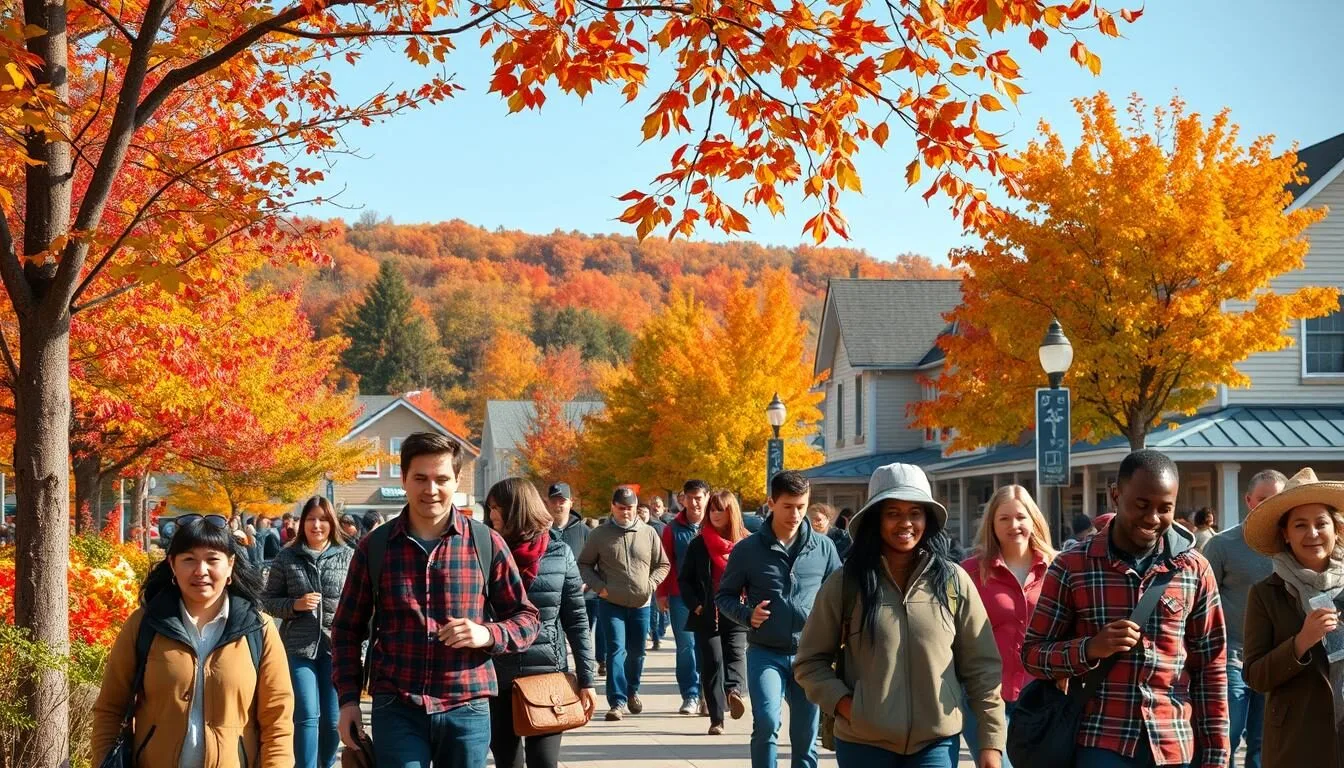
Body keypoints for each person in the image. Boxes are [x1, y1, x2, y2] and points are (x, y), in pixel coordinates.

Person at [331, 432, 541, 768]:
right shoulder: (376, 546)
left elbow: (526, 618)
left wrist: (487, 634)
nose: (431, 490)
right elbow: (345, 629)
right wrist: (348, 701)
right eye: (420, 478)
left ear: (457, 479)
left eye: (441, 479)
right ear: (403, 479)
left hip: (467, 705)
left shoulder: (486, 543)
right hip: (396, 704)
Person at [1021, 449, 1229, 768]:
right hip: (1100, 743)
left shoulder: (1194, 569)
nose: (1153, 518)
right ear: (1115, 495)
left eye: (1165, 508)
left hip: (1174, 745)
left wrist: (1216, 754)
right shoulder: (1072, 566)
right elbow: (1033, 655)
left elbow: (1211, 668)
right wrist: (1090, 649)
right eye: (1141, 505)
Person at [796, 463, 1006, 768]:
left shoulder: (953, 581)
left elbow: (982, 668)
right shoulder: (847, 583)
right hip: (863, 745)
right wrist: (848, 706)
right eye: (893, 512)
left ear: (927, 519)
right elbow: (809, 662)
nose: (905, 523)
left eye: (915, 513)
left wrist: (991, 743)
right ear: (875, 519)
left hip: (936, 743)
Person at [90, 515, 295, 767]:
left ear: (230, 565)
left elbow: (278, 720)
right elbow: (110, 709)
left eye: (212, 559)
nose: (201, 571)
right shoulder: (145, 623)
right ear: (173, 565)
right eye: (189, 559)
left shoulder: (258, 629)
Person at [716, 470, 841, 768]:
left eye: (801, 506)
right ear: (771, 503)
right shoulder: (747, 550)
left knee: (805, 735)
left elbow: (841, 596)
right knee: (767, 723)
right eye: (788, 506)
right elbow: (724, 596)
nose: (796, 514)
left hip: (810, 656)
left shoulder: (823, 548)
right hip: (765, 653)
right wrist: (748, 615)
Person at [486, 478, 598, 768]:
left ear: (516, 509)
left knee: (544, 762)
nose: (491, 515)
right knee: (507, 762)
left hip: (546, 676)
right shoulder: (485, 551)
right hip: (496, 678)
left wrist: (587, 679)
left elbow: (576, 620)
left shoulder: (558, 553)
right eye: (490, 508)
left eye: (496, 507)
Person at [1241, 468, 1344, 768]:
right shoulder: (1265, 594)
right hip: (1297, 744)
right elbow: (1256, 676)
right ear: (1285, 534)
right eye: (1300, 525)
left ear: (1335, 529)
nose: (1312, 533)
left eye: (1321, 523)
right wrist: (1300, 643)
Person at [959, 485, 1057, 766]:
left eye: (1020, 517)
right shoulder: (970, 573)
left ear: (1033, 520)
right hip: (985, 698)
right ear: (992, 523)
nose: (1014, 525)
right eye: (1004, 518)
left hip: (1041, 698)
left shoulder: (1058, 568)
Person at [1204, 469, 1287, 768]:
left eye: (1276, 499)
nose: (1268, 505)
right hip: (1230, 656)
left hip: (1275, 657)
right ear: (1249, 500)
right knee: (1228, 735)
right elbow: (1202, 603)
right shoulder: (1222, 545)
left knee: (1263, 743)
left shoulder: (1293, 546)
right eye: (1263, 499)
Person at [261, 496, 352, 768]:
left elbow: (363, 607)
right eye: (311, 519)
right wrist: (295, 605)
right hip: (298, 649)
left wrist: (358, 649)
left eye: (323, 519)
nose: (317, 525)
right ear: (302, 524)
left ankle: (325, 763)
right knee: (306, 715)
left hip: (336, 649)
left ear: (331, 523)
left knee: (331, 719)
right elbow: (267, 600)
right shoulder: (287, 556)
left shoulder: (348, 555)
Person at [578, 486, 671, 721]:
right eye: (621, 508)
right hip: (612, 603)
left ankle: (632, 691)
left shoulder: (648, 533)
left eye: (630, 508)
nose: (626, 513)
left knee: (637, 652)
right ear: (613, 507)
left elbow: (663, 564)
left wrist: (650, 584)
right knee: (616, 650)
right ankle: (617, 701)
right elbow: (584, 564)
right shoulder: (599, 534)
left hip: (641, 603)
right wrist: (600, 588)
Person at [680, 490, 751, 734]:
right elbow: (685, 579)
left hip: (738, 611)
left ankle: (734, 692)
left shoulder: (746, 543)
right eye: (712, 509)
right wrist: (697, 605)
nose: (715, 514)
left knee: (736, 654)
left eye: (720, 509)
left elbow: (757, 577)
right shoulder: (699, 543)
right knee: (712, 662)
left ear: (732, 511)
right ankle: (716, 719)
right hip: (708, 613)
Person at [659, 479, 708, 714]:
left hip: (711, 597)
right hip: (680, 597)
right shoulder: (673, 529)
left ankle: (708, 694)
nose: (695, 502)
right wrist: (661, 593)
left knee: (707, 647)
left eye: (699, 497)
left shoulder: (716, 523)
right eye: (690, 498)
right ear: (683, 499)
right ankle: (690, 694)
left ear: (707, 497)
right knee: (686, 647)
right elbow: (664, 562)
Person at [548, 481, 603, 676]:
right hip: (551, 597)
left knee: (580, 638)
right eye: (554, 500)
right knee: (554, 640)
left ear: (571, 502)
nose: (558, 505)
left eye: (562, 500)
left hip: (583, 597)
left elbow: (597, 564)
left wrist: (587, 585)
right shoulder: (541, 532)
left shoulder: (586, 532)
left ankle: (585, 674)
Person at [639, 503, 670, 650]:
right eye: (639, 512)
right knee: (648, 610)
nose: (642, 514)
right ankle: (652, 635)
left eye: (644, 512)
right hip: (639, 575)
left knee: (654, 609)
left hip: (654, 575)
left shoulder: (658, 528)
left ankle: (657, 635)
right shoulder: (634, 530)